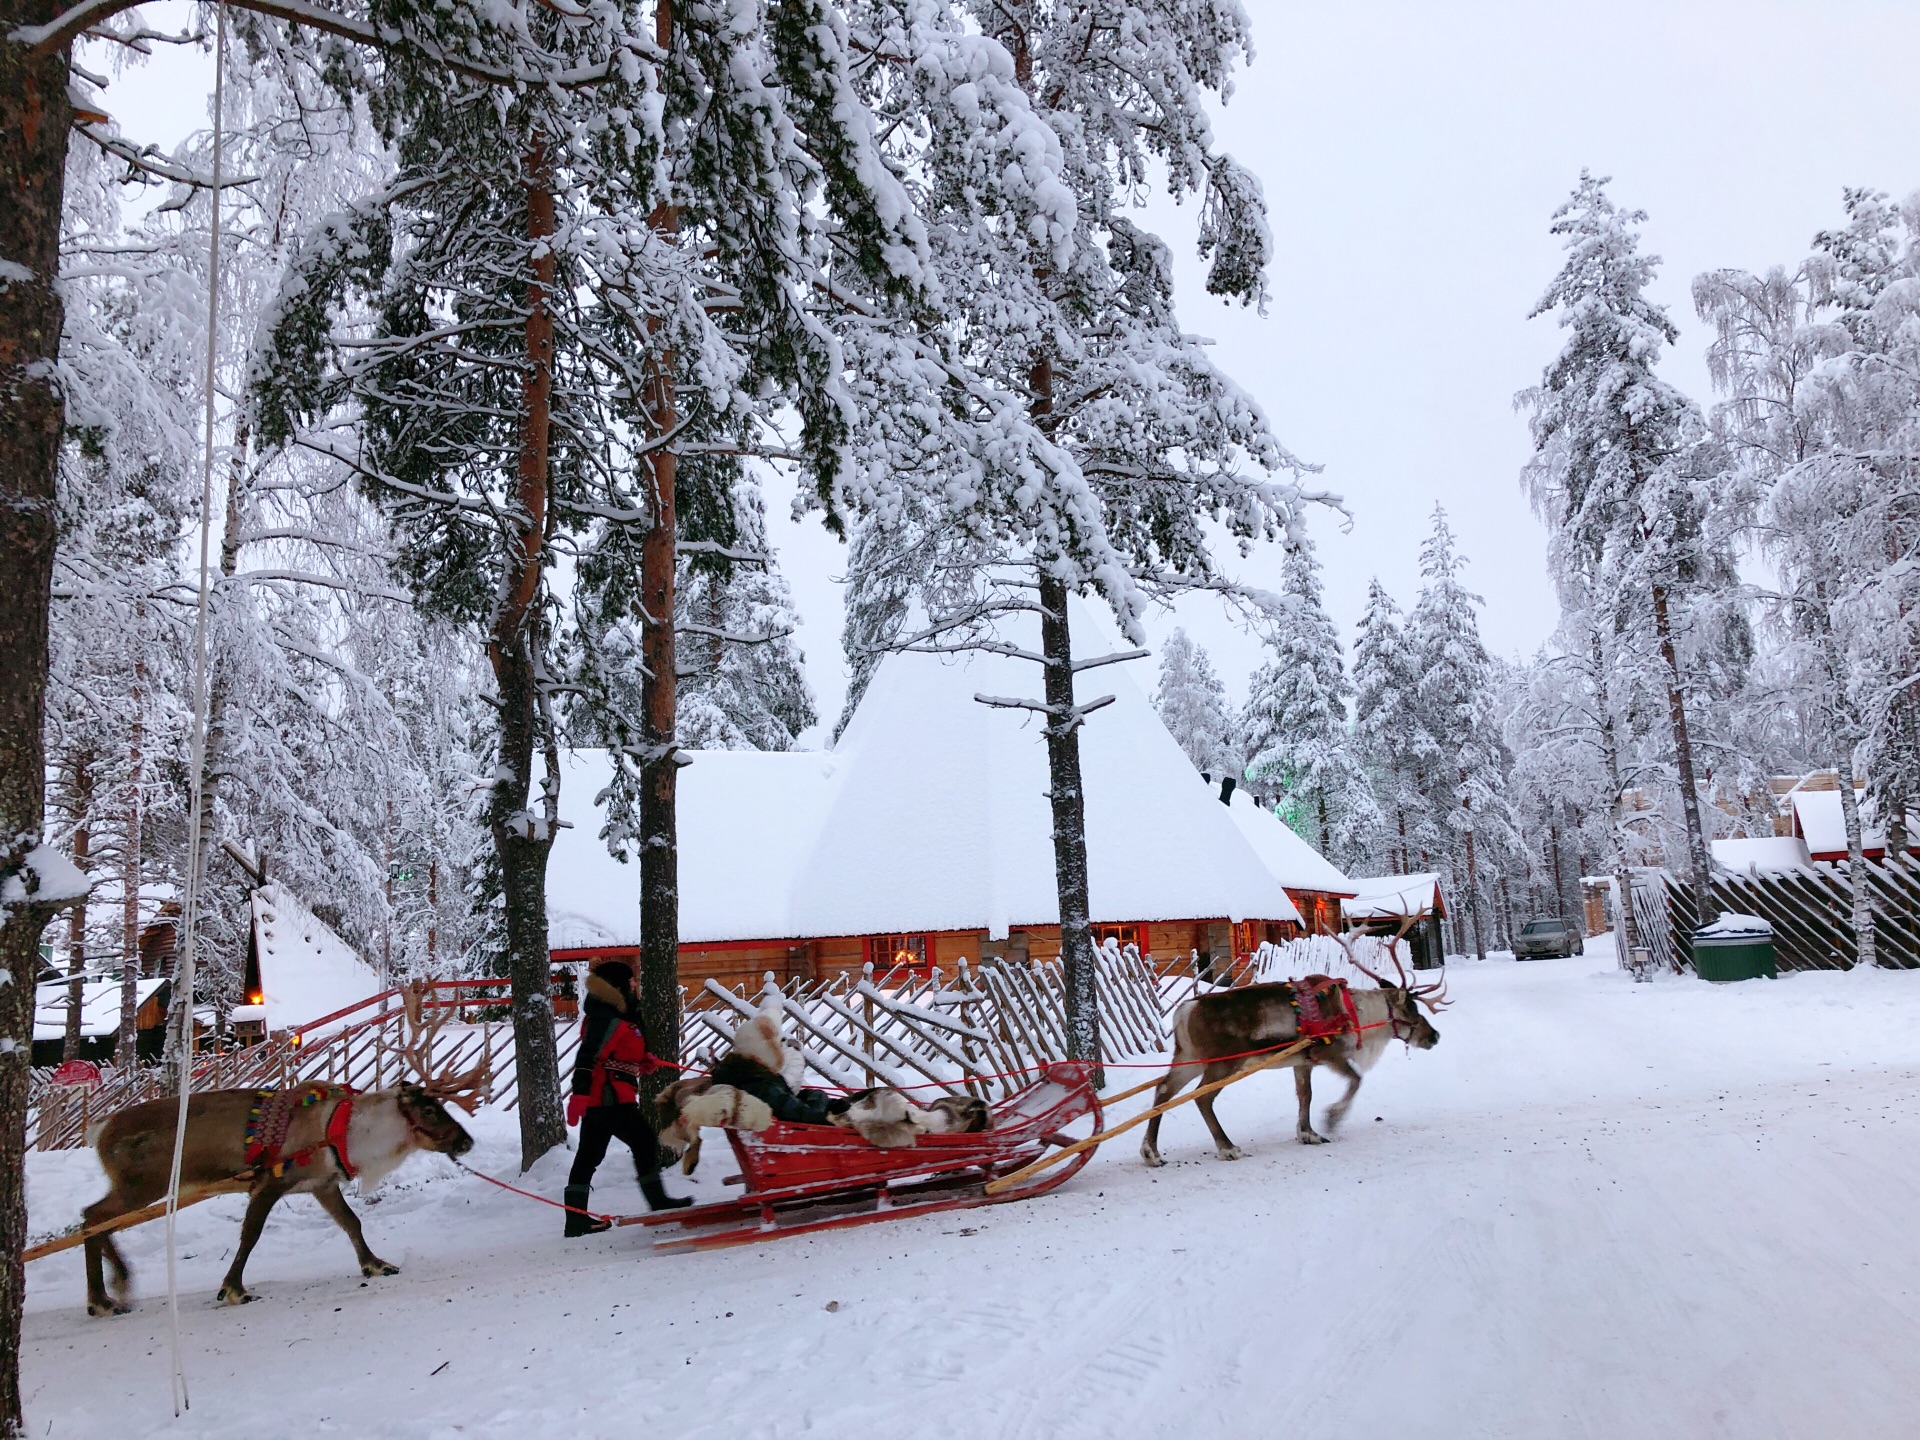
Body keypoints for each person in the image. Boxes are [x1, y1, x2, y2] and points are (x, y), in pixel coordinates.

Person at [563, 960, 692, 1236]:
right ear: (617, 985)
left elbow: (619, 1052)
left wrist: (641, 1061)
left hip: (609, 1097)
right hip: (608, 1098)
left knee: (589, 1156)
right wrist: (580, 1094)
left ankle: (575, 1220)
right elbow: (587, 1058)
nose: (635, 984)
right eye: (631, 980)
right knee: (644, 1141)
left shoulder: (617, 1015)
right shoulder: (605, 1018)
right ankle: (657, 1201)